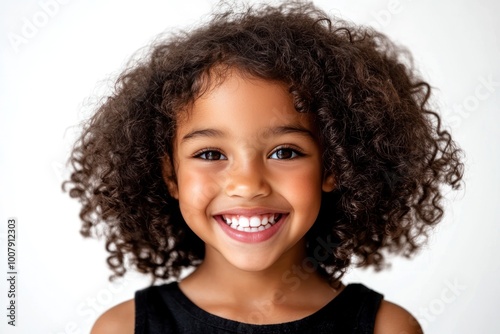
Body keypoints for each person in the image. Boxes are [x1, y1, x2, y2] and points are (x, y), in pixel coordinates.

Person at [64, 1, 463, 333]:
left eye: (285, 152)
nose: (247, 184)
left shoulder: (387, 329)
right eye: (209, 154)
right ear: (170, 175)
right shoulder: (123, 329)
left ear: (334, 167)